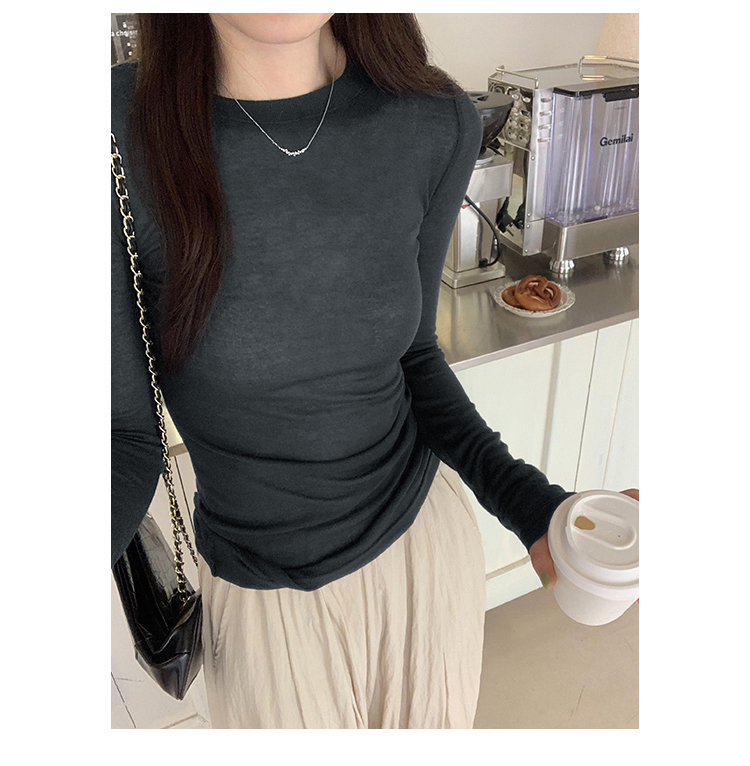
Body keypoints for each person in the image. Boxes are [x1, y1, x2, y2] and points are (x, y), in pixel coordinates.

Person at [111, 13, 639, 729]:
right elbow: (124, 439)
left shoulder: (431, 120)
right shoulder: (115, 135)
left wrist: (531, 505)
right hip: (268, 605)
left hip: (424, 559)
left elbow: (413, 355)